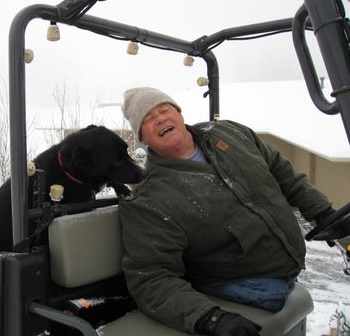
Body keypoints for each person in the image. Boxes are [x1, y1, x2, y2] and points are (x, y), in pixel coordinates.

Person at [118, 87, 347, 336]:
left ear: (180, 114)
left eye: (164, 109)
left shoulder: (230, 133)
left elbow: (282, 172)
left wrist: (321, 210)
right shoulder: (149, 199)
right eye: (149, 119)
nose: (161, 118)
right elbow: (151, 278)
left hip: (289, 268)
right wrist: (210, 317)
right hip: (243, 284)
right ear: (143, 139)